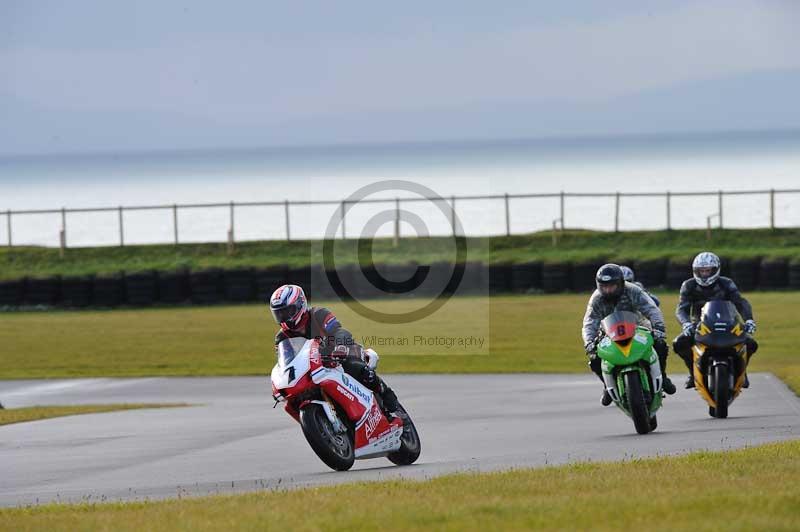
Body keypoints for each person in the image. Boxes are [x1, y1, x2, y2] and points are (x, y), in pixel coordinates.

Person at [269, 284, 399, 413]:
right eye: (279, 313)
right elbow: (286, 363)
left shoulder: (318, 314)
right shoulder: (282, 337)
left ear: (300, 304)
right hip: (312, 369)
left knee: (354, 365)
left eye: (287, 311)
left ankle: (386, 394)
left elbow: (339, 332)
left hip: (338, 355)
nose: (284, 317)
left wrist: (333, 347)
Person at [582, 264, 676, 406]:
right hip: (608, 331)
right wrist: (589, 342)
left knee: (660, 344)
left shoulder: (633, 290)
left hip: (638, 326)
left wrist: (658, 329)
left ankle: (662, 376)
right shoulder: (596, 299)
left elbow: (652, 309)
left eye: (612, 286)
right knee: (595, 358)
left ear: (620, 283)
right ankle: (607, 386)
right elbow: (589, 322)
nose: (608, 290)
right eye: (604, 286)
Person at [673, 252, 758, 389]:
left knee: (751, 343)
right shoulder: (688, 285)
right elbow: (681, 309)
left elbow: (740, 302)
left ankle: (742, 372)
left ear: (716, 270)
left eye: (708, 270)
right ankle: (693, 372)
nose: (705, 274)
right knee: (679, 343)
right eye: (701, 271)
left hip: (728, 323)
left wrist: (749, 320)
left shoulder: (726, 283)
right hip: (699, 325)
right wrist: (686, 323)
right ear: (695, 271)